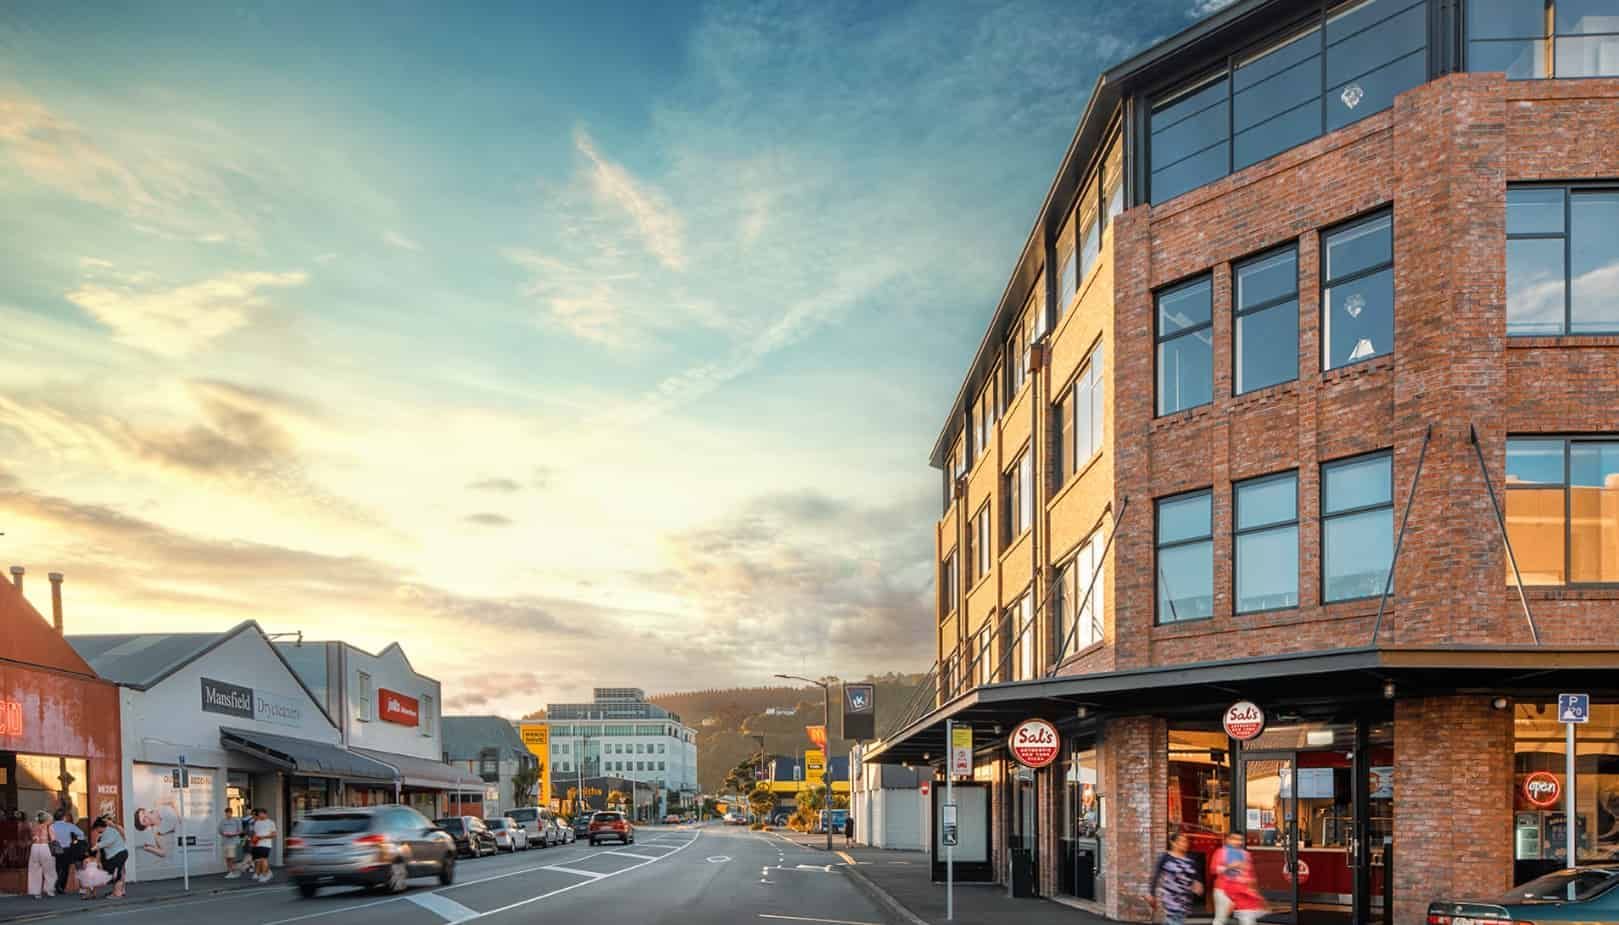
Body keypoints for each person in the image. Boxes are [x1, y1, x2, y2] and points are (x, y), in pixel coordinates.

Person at [1149, 829, 1204, 925]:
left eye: (1186, 841)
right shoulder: (1166, 857)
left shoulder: (1190, 860)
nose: (1185, 844)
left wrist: (1197, 884)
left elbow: (1195, 876)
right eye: (1181, 841)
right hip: (1171, 898)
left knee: (1172, 920)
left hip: (1185, 899)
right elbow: (1156, 875)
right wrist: (1151, 894)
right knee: (1176, 920)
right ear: (1173, 843)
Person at [1210, 831, 1250, 925]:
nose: (1238, 842)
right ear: (1228, 840)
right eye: (1234, 839)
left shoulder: (1245, 854)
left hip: (1241, 890)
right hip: (1223, 890)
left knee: (1247, 919)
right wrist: (1229, 866)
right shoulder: (1221, 852)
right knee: (1221, 919)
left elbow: (1249, 873)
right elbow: (1213, 869)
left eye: (1240, 840)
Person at [50, 809, 86, 895]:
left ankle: (56, 885)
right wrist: (78, 841)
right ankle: (61, 886)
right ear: (64, 817)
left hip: (55, 847)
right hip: (66, 848)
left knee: (57, 867)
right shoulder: (69, 825)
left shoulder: (51, 826)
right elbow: (81, 833)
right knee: (65, 868)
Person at [28, 811, 56, 898]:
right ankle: (49, 890)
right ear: (47, 819)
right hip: (45, 847)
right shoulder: (49, 827)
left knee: (34, 870)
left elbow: (32, 837)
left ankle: (36, 892)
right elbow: (53, 839)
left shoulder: (33, 827)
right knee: (49, 870)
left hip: (35, 847)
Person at [249, 808, 276, 883]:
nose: (259, 815)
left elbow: (274, 834)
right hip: (257, 844)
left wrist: (263, 837)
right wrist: (253, 841)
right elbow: (255, 833)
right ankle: (261, 873)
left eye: (261, 813)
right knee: (257, 860)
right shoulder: (257, 822)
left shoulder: (271, 822)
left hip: (266, 844)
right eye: (259, 814)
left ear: (265, 814)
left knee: (264, 859)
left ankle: (265, 875)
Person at [220, 808, 246, 878]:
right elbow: (220, 831)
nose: (227, 814)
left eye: (229, 813)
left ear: (231, 813)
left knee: (231, 857)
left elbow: (241, 831)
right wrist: (224, 834)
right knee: (227, 858)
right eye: (226, 813)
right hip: (225, 842)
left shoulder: (236, 820)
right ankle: (230, 871)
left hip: (233, 841)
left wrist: (233, 834)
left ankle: (232, 872)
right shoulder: (223, 821)